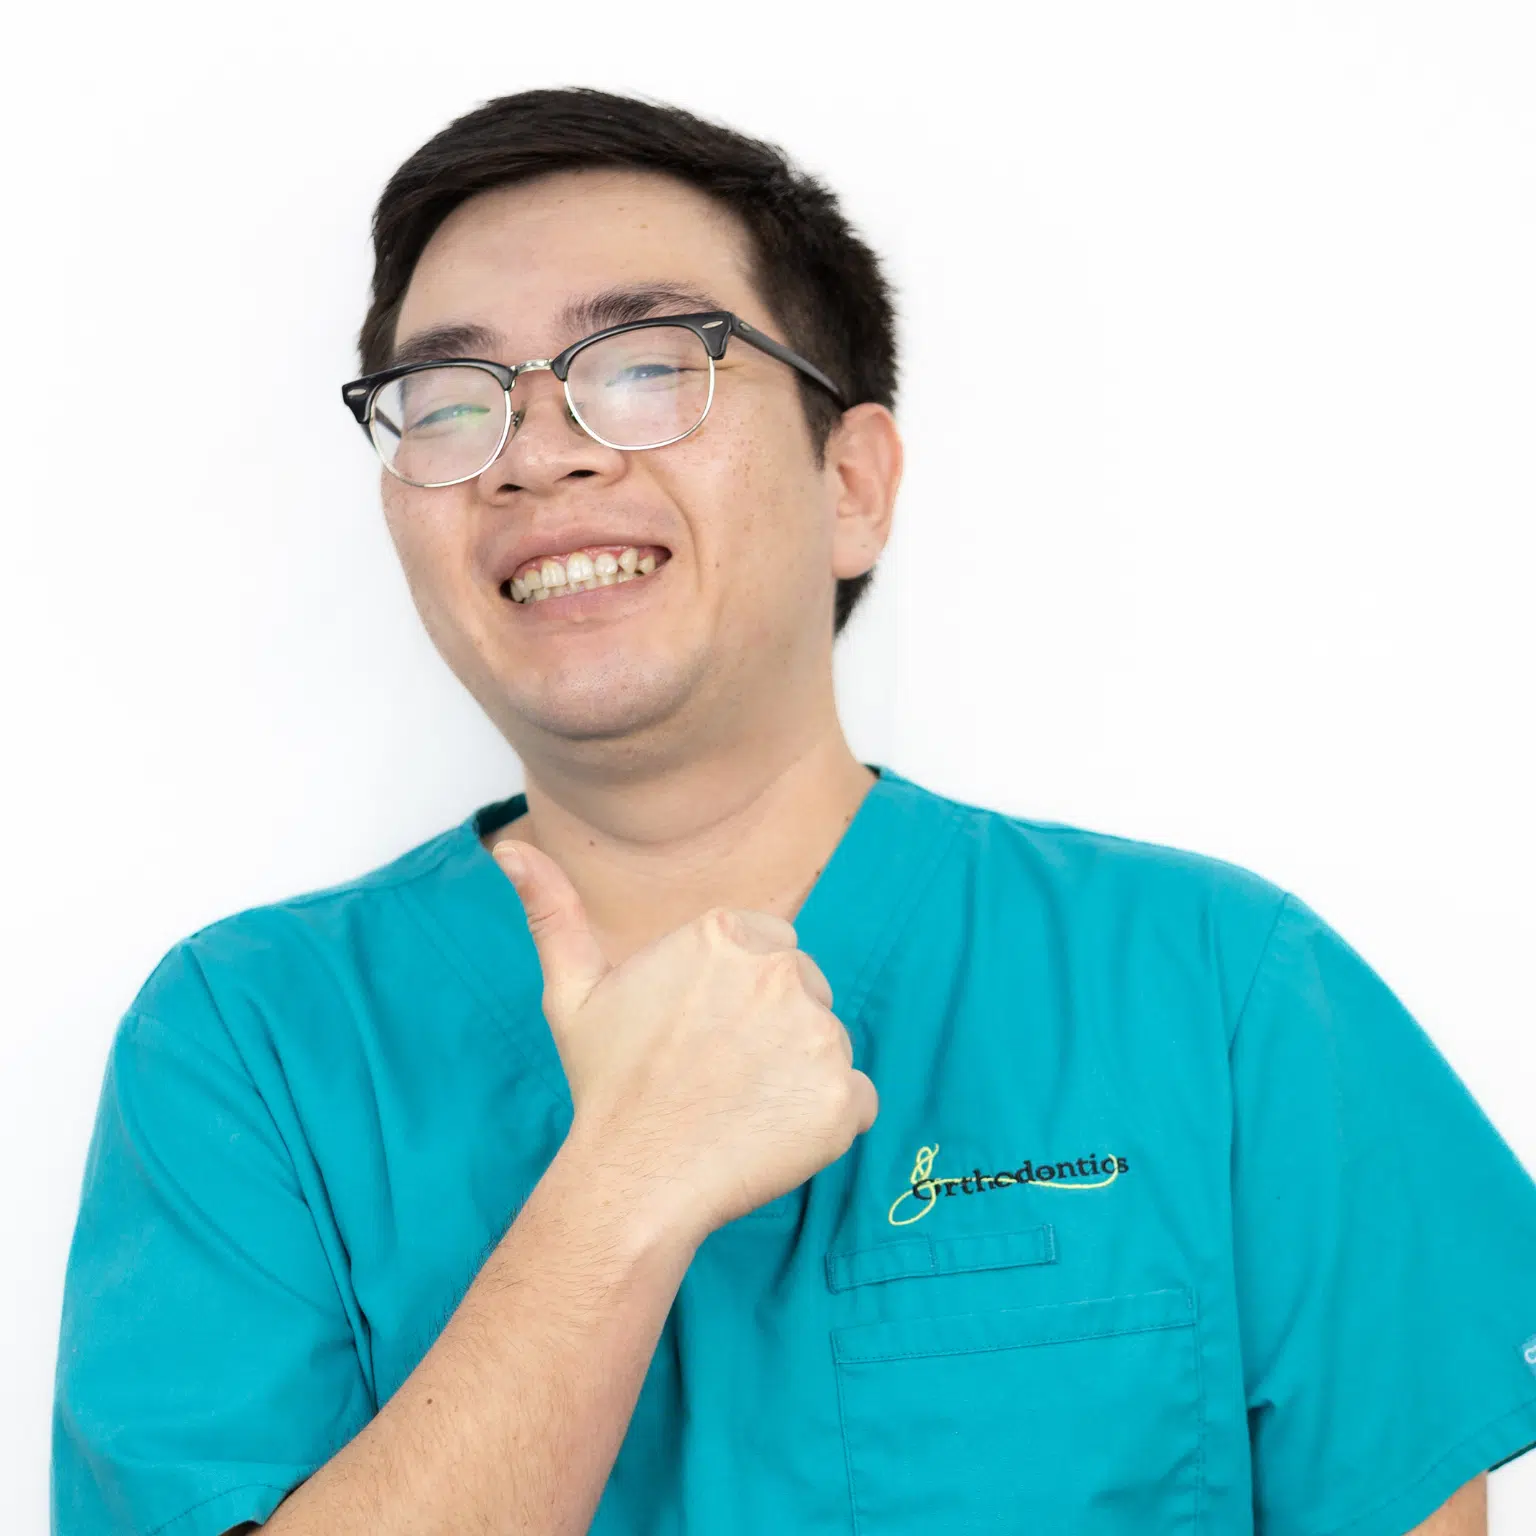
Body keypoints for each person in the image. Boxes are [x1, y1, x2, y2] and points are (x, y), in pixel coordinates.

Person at [50, 86, 1536, 1536]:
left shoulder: (1216, 990)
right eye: (448, 404)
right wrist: (620, 1193)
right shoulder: (247, 1046)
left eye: (646, 368)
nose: (538, 452)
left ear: (854, 484)